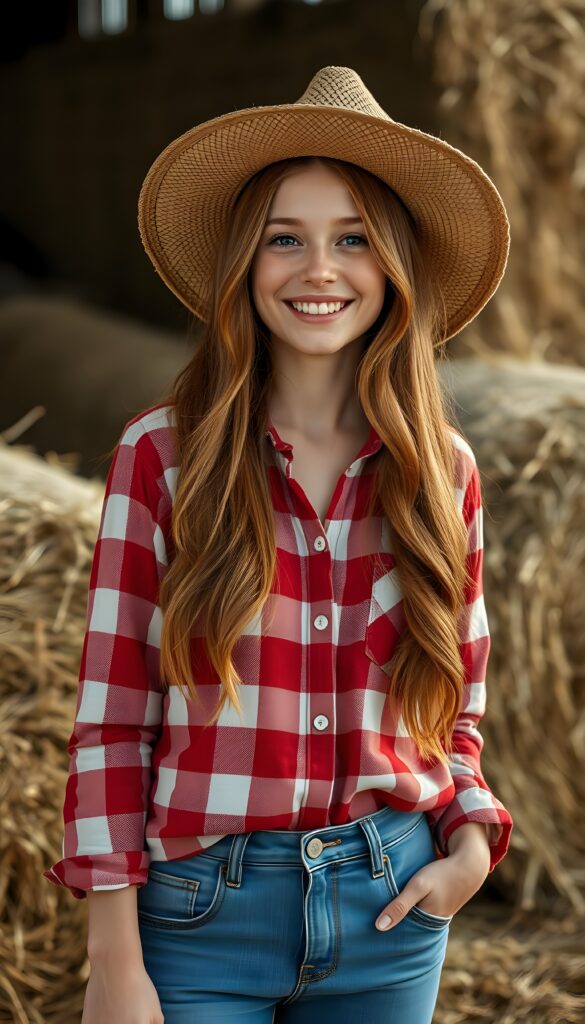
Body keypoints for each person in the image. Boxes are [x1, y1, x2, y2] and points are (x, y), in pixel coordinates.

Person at [43, 66, 514, 1024]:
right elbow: (112, 723)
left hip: (390, 909)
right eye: (282, 240)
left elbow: (454, 714)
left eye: (354, 240)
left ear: (394, 267)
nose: (319, 270)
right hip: (197, 914)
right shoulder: (162, 456)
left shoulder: (442, 470)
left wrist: (470, 847)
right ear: (241, 266)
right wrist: (112, 964)